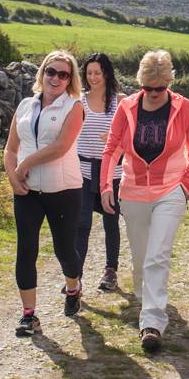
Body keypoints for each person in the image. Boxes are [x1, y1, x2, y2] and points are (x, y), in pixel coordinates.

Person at [101, 50, 189, 354]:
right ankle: (147, 298)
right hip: (132, 191)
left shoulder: (183, 107)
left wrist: (186, 185)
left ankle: (152, 323)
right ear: (140, 84)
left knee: (157, 256)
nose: (155, 94)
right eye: (149, 88)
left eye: (161, 88)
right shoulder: (127, 107)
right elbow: (111, 150)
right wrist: (107, 185)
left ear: (168, 83)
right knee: (141, 259)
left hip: (170, 189)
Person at [4, 50, 87, 336]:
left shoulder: (74, 107)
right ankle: (29, 315)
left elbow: (62, 147)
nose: (56, 78)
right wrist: (13, 177)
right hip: (27, 191)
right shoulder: (25, 105)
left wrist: (25, 164)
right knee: (26, 249)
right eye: (51, 71)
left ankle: (73, 287)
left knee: (64, 249)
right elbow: (10, 148)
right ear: (42, 73)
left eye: (63, 74)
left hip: (63, 189)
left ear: (70, 80)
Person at [75, 53, 126, 292]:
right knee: (81, 224)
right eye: (89, 73)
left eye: (98, 72)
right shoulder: (78, 101)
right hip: (83, 171)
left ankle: (110, 271)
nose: (93, 77)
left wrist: (117, 140)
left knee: (111, 222)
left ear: (107, 73)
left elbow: (131, 136)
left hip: (112, 173)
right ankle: (75, 276)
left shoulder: (121, 101)